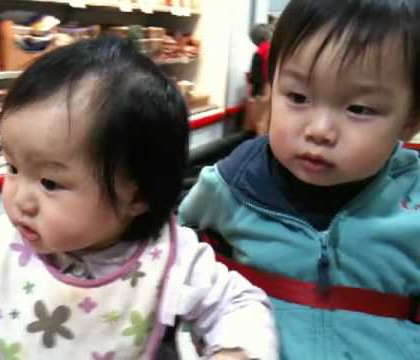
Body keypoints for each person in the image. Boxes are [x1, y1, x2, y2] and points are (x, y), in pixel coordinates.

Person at [0, 37, 278, 360]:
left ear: (138, 194)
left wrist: (235, 350)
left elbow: (239, 304)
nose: (19, 199)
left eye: (49, 182)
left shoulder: (170, 259)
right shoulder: (3, 247)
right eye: (12, 168)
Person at [179, 0, 420, 359]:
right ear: (270, 90)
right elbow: (171, 258)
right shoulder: (229, 187)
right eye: (298, 97)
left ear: (409, 121)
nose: (319, 130)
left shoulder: (413, 205)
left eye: (358, 109)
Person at [244, 23, 272, 135]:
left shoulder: (259, 52)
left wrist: (253, 94)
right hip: (273, 87)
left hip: (264, 89)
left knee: (261, 123)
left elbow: (256, 77)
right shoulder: (274, 48)